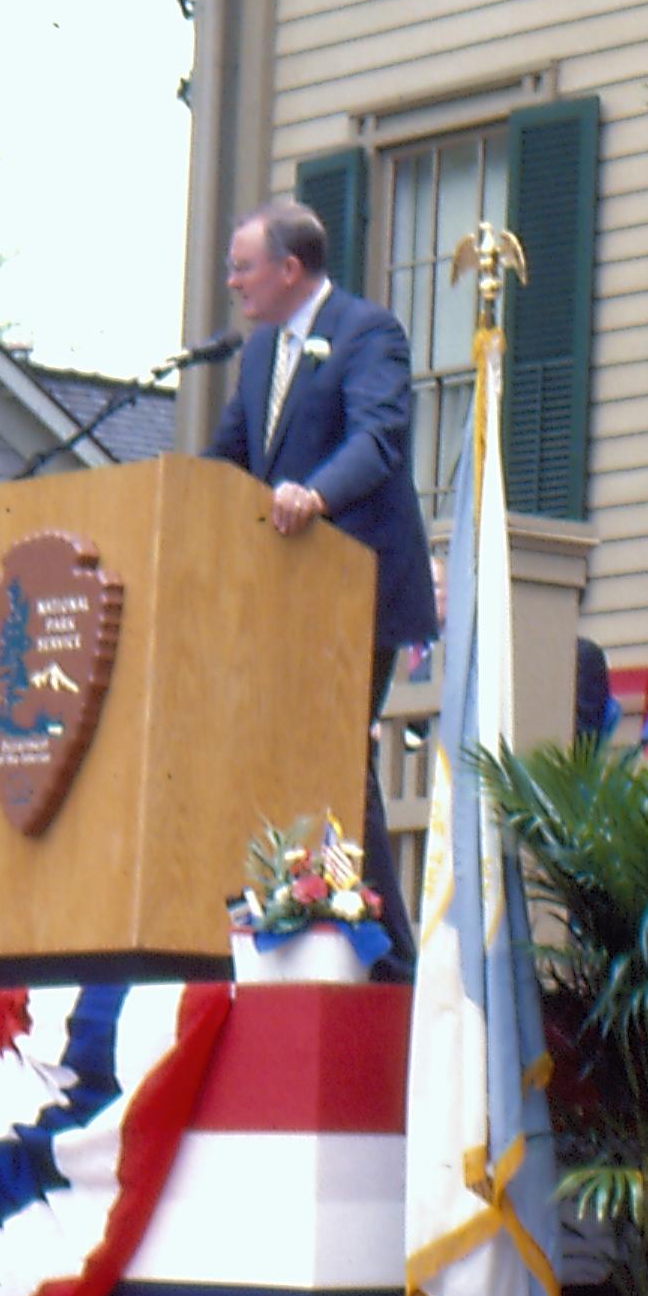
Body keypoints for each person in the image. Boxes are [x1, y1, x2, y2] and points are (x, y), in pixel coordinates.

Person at [203, 197, 435, 972]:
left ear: (288, 268)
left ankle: (391, 959)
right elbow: (232, 456)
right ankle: (350, 931)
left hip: (356, 590)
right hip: (286, 596)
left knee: (334, 754)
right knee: (320, 765)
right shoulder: (262, 354)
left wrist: (315, 494)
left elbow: (378, 441)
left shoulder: (369, 334)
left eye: (242, 267)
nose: (232, 282)